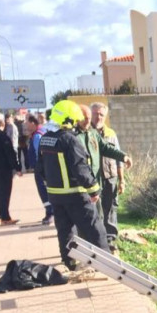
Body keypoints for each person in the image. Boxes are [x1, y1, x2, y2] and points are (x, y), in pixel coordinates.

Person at [37, 100, 110, 270]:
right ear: (68, 120)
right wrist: (94, 189)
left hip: (55, 195)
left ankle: (69, 262)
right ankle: (108, 263)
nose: (77, 123)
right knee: (95, 228)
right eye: (75, 120)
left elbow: (39, 168)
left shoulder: (45, 139)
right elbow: (80, 168)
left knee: (65, 230)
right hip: (75, 194)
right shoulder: (70, 140)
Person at [89, 102, 125, 250]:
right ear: (91, 114)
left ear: (105, 116)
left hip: (110, 176)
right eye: (96, 114)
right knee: (94, 211)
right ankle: (97, 242)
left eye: (101, 114)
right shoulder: (86, 132)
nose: (98, 117)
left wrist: (122, 180)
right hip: (93, 180)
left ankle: (110, 241)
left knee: (110, 209)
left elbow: (119, 159)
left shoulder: (111, 133)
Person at [23, 114, 53, 225]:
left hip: (41, 168)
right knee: (46, 190)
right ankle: (50, 212)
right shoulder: (41, 132)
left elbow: (38, 153)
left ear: (32, 123)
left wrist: (39, 167)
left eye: (27, 122)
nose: (26, 125)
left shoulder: (37, 136)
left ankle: (50, 213)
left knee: (44, 191)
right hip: (44, 167)